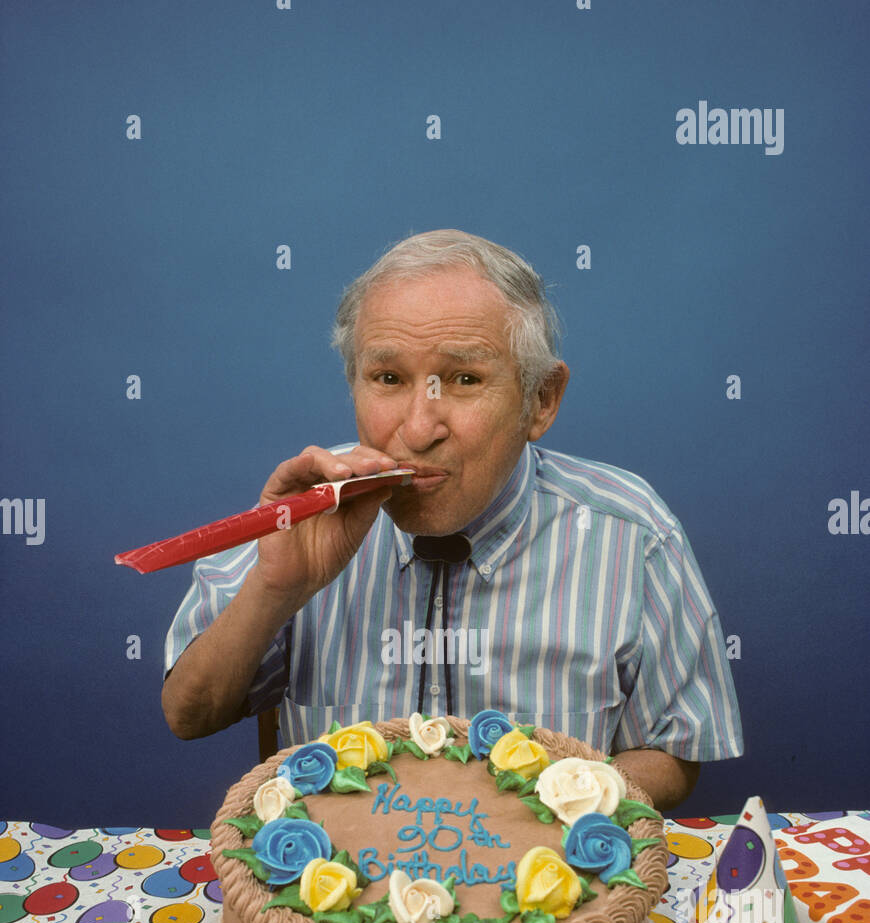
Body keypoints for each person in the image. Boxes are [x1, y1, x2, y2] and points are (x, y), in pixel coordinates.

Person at [163, 229, 742, 810]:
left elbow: (674, 748)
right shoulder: (303, 515)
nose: (418, 429)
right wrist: (276, 589)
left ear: (541, 400)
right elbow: (188, 716)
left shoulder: (632, 534)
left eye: (464, 380)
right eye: (388, 379)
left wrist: (532, 822)